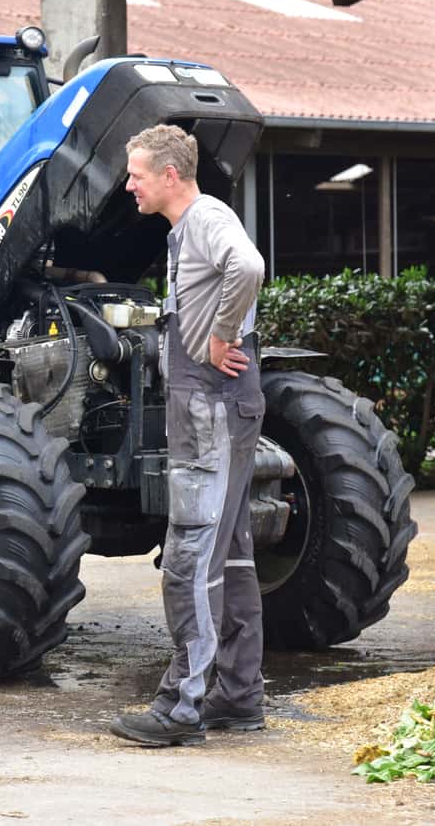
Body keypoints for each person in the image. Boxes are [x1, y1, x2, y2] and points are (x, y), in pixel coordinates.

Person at [110, 125, 267, 747]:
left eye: (137, 174)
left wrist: (221, 335)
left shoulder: (205, 219)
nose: (129, 185)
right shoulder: (192, 227)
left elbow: (248, 266)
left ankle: (182, 705)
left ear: (169, 175)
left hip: (210, 408)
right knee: (230, 554)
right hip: (216, 407)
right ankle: (237, 695)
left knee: (189, 558)